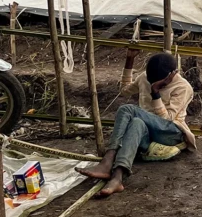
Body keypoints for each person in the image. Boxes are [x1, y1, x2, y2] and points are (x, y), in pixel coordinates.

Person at [77, 51, 195, 197]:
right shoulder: (145, 77)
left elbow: (168, 119)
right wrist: (129, 60)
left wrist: (155, 92)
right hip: (148, 130)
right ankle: (118, 176)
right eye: (151, 81)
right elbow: (124, 91)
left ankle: (108, 159)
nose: (152, 83)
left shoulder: (183, 87)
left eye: (158, 81)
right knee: (137, 122)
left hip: (170, 132)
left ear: (173, 74)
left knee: (127, 109)